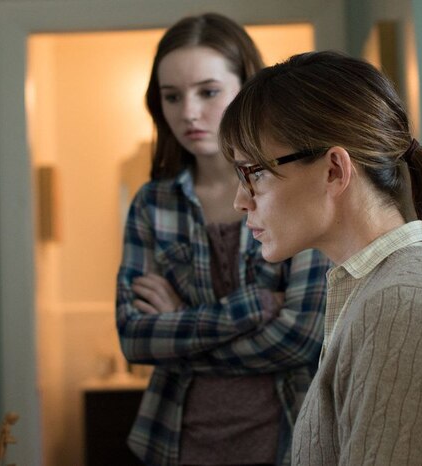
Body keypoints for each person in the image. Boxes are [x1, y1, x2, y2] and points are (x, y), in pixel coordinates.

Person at [219, 50, 422, 465]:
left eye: (256, 172)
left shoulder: (403, 305)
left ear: (334, 170)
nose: (240, 200)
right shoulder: (380, 292)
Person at [115, 13, 330, 466]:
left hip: (286, 440)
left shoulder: (295, 186)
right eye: (172, 96)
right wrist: (252, 308)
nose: (188, 112)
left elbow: (300, 338)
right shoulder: (152, 204)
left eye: (208, 92)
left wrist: (180, 324)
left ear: (247, 89)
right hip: (173, 443)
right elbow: (135, 338)